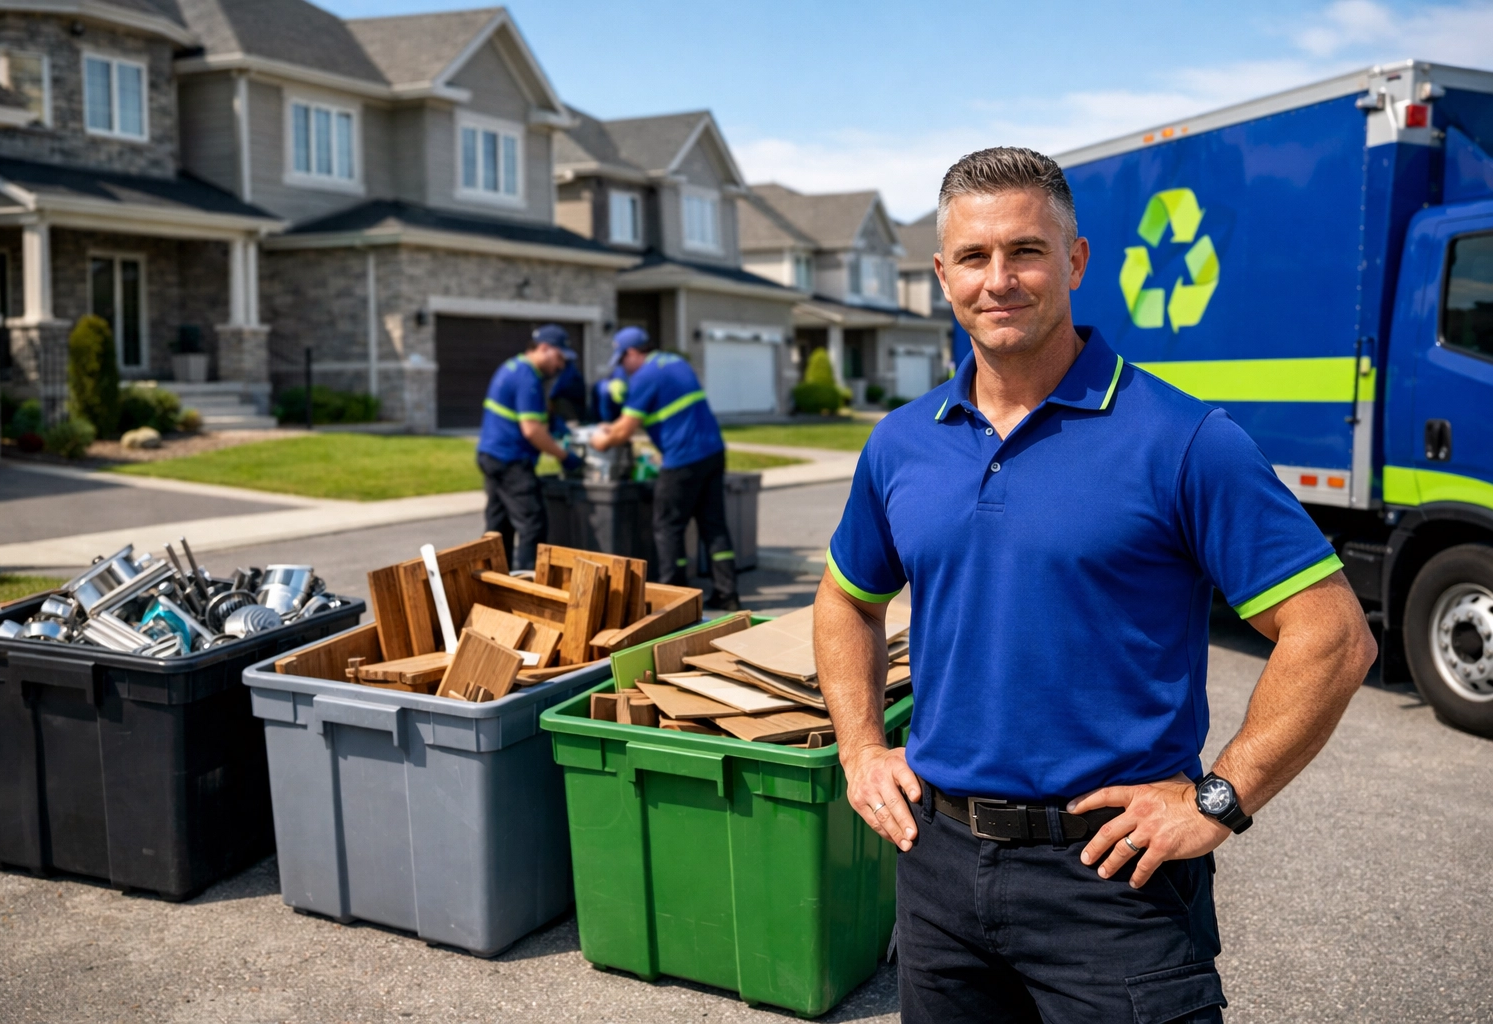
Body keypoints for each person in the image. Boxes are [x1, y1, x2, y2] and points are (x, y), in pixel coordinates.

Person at [812, 147, 1377, 1023]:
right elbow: (846, 598)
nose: (999, 279)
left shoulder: (1184, 440)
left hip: (1112, 882)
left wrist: (1219, 799)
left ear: (1074, 261)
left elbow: (1332, 635)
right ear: (940, 276)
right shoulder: (902, 443)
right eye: (973, 257)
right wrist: (858, 750)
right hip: (938, 866)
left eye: (1026, 251)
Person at [590, 326, 739, 611]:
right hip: (712, 451)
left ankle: (675, 597)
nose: (623, 367)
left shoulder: (645, 376)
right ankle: (727, 594)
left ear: (633, 353)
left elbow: (624, 432)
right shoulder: (675, 362)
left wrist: (601, 440)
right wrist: (616, 425)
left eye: (622, 360)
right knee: (714, 526)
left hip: (682, 460)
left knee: (667, 526)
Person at [477, 324, 584, 570]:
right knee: (532, 524)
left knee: (498, 527)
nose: (560, 366)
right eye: (559, 358)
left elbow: (532, 413)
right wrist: (565, 456)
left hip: (492, 455)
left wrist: (554, 422)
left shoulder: (512, 367)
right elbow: (532, 430)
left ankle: (492, 581)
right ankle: (526, 588)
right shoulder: (528, 376)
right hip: (511, 460)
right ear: (544, 348)